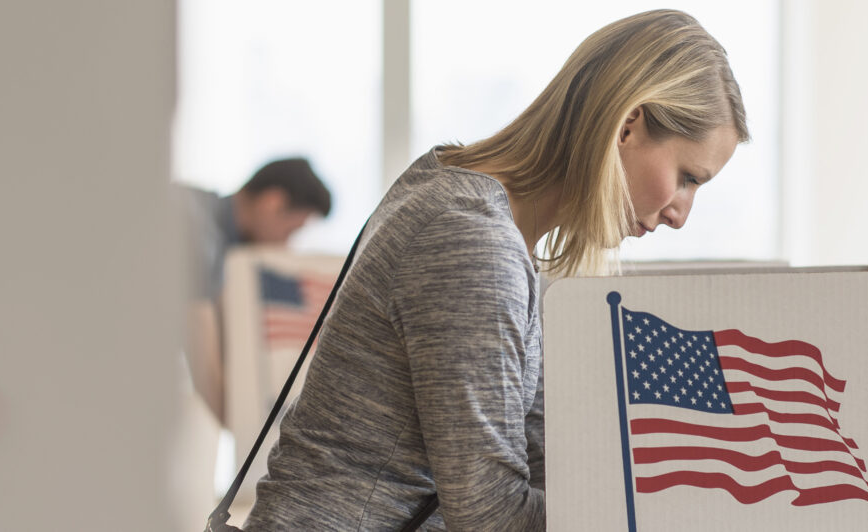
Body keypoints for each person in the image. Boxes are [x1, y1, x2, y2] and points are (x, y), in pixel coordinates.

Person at [242, 10, 749, 530]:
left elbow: (532, 450)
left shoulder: (466, 197)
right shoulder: (472, 238)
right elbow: (491, 517)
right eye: (687, 177)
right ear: (627, 125)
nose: (681, 215)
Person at [178, 157, 332, 422]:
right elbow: (205, 371)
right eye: (291, 230)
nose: (286, 245)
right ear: (273, 202)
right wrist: (253, 434)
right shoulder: (202, 235)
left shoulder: (203, 216)